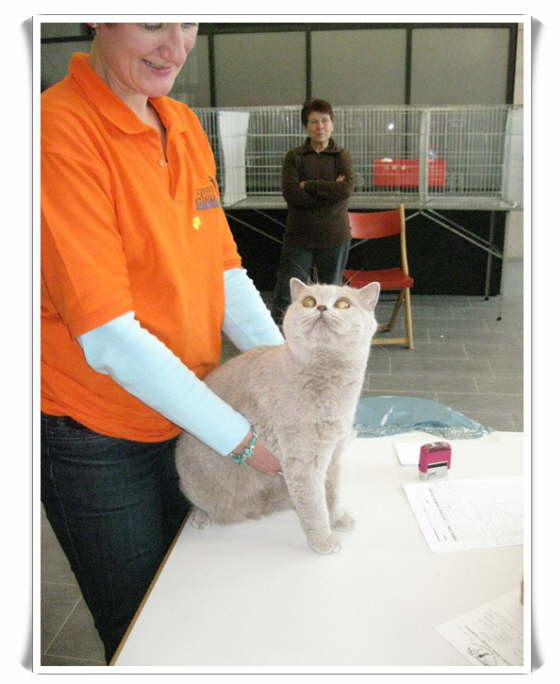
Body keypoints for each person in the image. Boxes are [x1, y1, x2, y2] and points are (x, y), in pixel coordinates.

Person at [41, 22, 284, 663]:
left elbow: (225, 273)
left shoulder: (180, 123)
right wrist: (242, 439)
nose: (176, 48)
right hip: (95, 434)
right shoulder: (54, 132)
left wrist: (292, 379)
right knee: (144, 632)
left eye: (189, 21)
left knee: (196, 599)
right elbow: (109, 337)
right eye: (152, 20)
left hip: (186, 411)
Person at [270, 98, 354, 325]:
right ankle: (278, 338)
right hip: (299, 236)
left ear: (332, 124)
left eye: (325, 121)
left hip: (334, 236)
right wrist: (330, 191)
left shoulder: (342, 156)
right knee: (287, 294)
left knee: (331, 297)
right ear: (306, 126)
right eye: (314, 122)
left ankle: (327, 338)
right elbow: (292, 195)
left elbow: (346, 189)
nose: (320, 127)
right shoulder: (295, 157)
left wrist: (308, 185)